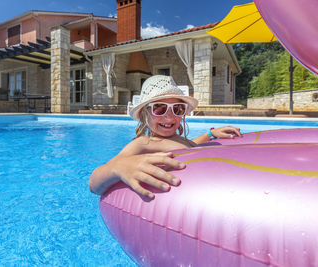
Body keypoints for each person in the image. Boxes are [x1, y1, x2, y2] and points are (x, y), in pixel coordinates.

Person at [89, 75, 241, 199]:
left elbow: (189, 147)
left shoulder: (177, 139)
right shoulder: (144, 143)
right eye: (159, 108)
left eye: (178, 109)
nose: (169, 116)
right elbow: (94, 184)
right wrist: (118, 167)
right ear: (144, 113)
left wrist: (210, 134)